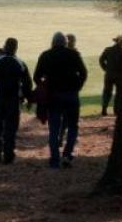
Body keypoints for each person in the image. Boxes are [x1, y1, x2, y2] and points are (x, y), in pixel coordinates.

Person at [34, 32, 88, 169]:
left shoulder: (46, 55)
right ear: (65, 42)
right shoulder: (73, 54)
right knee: (72, 126)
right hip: (71, 94)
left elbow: (36, 76)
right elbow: (84, 73)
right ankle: (67, 155)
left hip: (53, 96)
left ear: (53, 42)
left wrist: (44, 86)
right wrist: (78, 86)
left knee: (54, 128)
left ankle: (54, 160)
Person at [0, 38, 33, 164]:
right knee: (11, 127)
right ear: (16, 48)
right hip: (13, 99)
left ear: (4, 46)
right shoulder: (20, 63)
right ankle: (8, 154)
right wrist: (28, 99)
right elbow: (27, 84)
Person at [99, 35, 122, 116]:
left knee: (107, 92)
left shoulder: (108, 50)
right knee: (119, 93)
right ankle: (116, 110)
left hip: (109, 74)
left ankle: (104, 108)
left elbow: (101, 60)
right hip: (119, 75)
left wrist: (105, 68)